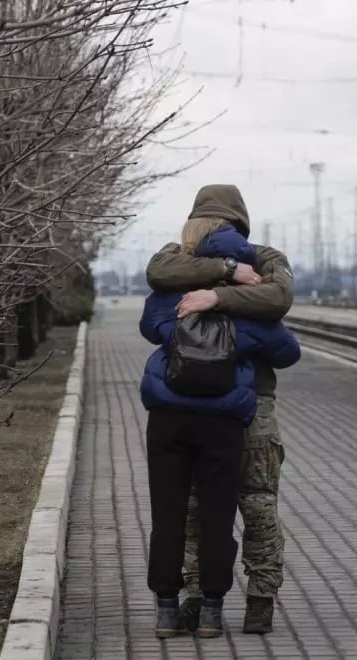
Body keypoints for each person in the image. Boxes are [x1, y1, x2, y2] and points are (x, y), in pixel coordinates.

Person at [139, 215, 300, 639]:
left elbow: (150, 326)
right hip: (244, 409)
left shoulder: (176, 278)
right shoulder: (252, 270)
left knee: (188, 513)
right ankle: (255, 603)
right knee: (255, 503)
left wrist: (209, 299)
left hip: (178, 416)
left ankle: (188, 605)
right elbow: (286, 350)